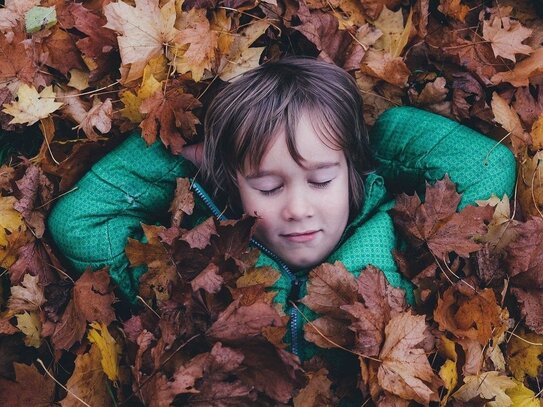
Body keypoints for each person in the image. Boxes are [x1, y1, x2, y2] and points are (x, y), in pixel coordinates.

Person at [47, 57, 516, 360]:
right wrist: (184, 156)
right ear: (234, 187)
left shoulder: (400, 239)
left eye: (321, 179)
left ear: (351, 173)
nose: (298, 207)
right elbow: (78, 222)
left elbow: (489, 167)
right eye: (268, 186)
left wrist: (375, 140)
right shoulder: (194, 266)